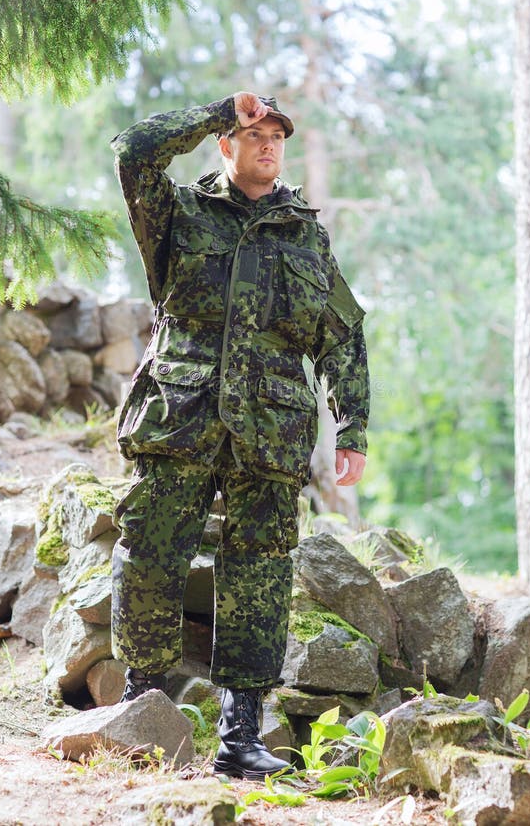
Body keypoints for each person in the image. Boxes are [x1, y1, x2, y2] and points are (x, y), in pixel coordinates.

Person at [110, 92, 369, 778]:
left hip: (271, 431)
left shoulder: (304, 234)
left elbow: (341, 330)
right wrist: (216, 109)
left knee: (260, 574)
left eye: (278, 135)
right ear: (226, 143)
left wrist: (353, 424)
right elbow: (133, 150)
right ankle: (140, 713)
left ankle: (241, 737)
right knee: (151, 553)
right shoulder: (178, 212)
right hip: (181, 415)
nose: (268, 143)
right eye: (254, 132)